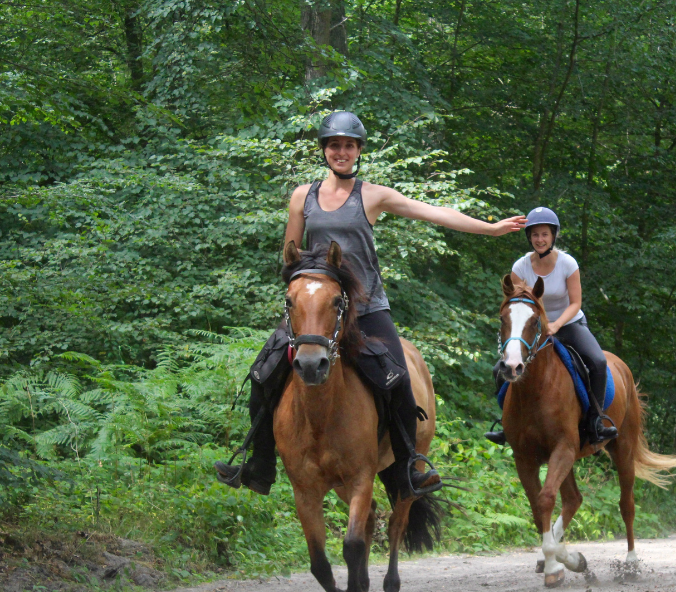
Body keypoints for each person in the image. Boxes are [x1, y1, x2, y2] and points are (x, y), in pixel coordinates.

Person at [215, 111, 526, 496]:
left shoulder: (373, 195)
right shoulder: (302, 196)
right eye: (334, 145)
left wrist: (491, 228)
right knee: (264, 372)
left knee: (398, 379)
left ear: (358, 150)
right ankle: (260, 463)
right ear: (324, 151)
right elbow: (289, 254)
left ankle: (410, 463)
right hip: (318, 309)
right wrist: (308, 286)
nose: (341, 152)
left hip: (367, 307)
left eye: (348, 145)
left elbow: (433, 212)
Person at [484, 206, 618, 446]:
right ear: (529, 238)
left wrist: (556, 324)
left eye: (544, 234)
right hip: (533, 327)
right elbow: (516, 304)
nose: (540, 239)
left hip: (568, 322)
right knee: (499, 370)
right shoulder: (520, 267)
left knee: (597, 362)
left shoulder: (567, 263)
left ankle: (596, 421)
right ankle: (507, 423)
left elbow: (576, 302)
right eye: (535, 235)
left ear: (553, 236)